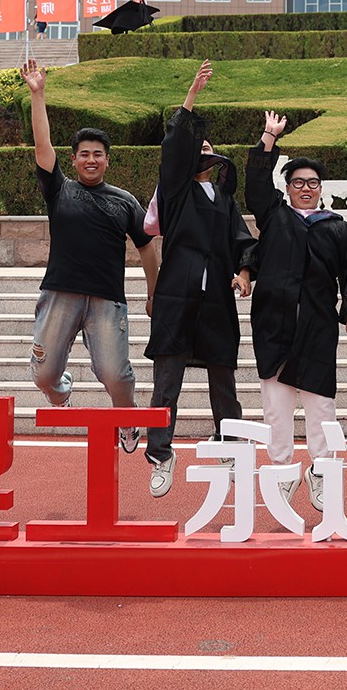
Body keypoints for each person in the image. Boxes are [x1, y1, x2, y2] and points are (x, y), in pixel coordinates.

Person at [21, 59, 157, 453]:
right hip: (60, 293)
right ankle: (61, 393)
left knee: (116, 374)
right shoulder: (59, 189)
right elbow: (42, 145)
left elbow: (147, 248)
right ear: (74, 159)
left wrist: (154, 292)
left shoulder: (124, 201)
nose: (91, 159)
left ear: (107, 159)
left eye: (98, 154)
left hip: (106, 300)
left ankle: (127, 422)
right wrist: (38, 94)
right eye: (84, 154)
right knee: (44, 374)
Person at [245, 111, 347, 510]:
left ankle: (321, 471)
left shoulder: (337, 228)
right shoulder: (274, 215)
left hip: (316, 326)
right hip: (273, 324)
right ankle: (282, 471)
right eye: (297, 183)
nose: (305, 189)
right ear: (287, 187)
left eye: (312, 183)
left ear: (321, 189)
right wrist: (269, 137)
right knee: (275, 407)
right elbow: (255, 184)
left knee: (321, 407)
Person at [142, 60, 255, 497]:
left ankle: (229, 443)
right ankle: (160, 454)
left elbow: (243, 241)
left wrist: (243, 273)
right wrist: (190, 97)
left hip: (216, 302)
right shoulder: (175, 191)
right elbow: (173, 147)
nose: (201, 150)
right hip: (176, 295)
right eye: (196, 146)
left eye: (208, 146)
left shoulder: (224, 199)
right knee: (166, 381)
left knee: (223, 376)